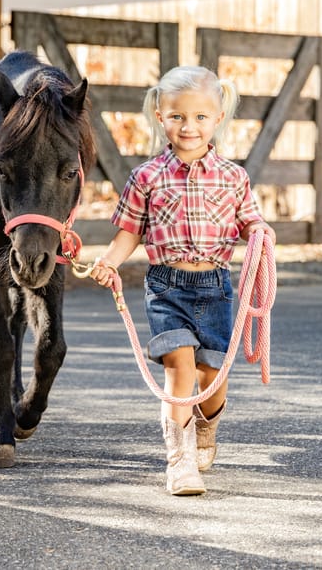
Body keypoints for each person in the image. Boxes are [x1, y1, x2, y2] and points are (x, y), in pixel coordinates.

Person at [90, 65, 276, 496]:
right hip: (166, 288)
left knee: (211, 377)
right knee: (179, 368)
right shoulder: (146, 178)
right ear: (160, 115)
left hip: (215, 287)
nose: (188, 126)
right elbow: (130, 232)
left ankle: (206, 429)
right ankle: (180, 460)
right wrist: (111, 261)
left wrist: (261, 233)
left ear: (218, 117)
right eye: (177, 116)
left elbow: (250, 222)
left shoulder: (233, 177)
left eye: (199, 117)